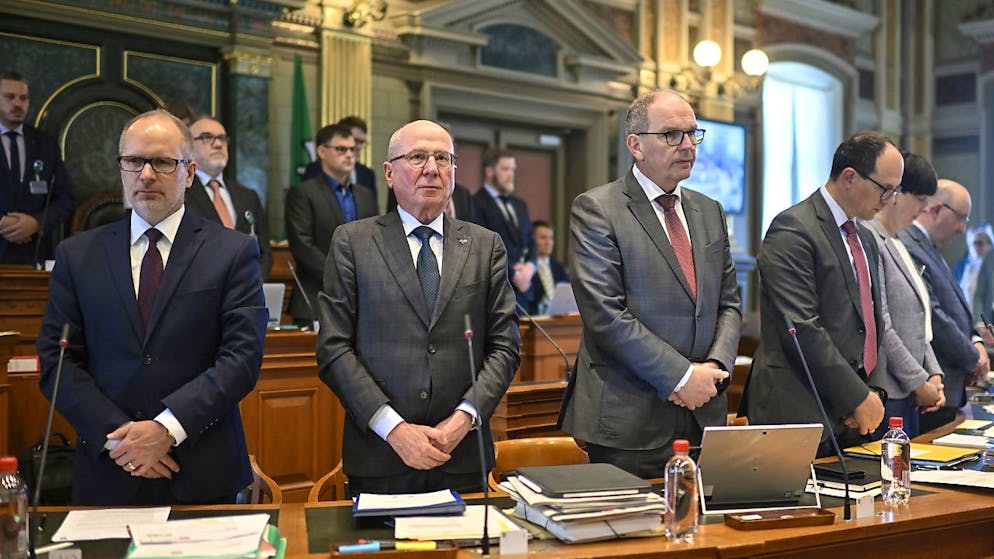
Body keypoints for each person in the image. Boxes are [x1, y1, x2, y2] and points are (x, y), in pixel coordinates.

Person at [36, 109, 267, 505]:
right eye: (134, 161)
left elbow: (241, 359)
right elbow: (58, 361)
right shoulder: (77, 255)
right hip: (110, 469)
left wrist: (166, 429)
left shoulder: (232, 251)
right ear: (122, 168)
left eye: (162, 162)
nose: (146, 175)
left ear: (189, 173)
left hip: (201, 471)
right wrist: (121, 440)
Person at [316, 119, 519, 495]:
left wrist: (463, 419)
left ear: (454, 172)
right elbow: (333, 349)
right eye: (418, 157)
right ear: (390, 173)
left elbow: (505, 347)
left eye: (443, 158)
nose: (431, 168)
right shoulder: (353, 242)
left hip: (463, 455)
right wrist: (394, 429)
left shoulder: (485, 245)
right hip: (382, 456)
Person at [559, 90, 740, 477]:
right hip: (630, 421)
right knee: (634, 538)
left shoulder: (709, 211)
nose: (688, 145)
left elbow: (728, 304)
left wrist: (714, 367)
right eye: (672, 134)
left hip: (704, 414)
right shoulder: (598, 209)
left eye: (693, 134)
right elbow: (606, 315)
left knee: (705, 535)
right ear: (636, 145)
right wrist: (680, 375)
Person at [742, 132, 901, 456]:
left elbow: (872, 325)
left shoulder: (865, 238)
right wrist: (857, 397)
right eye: (886, 189)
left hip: (855, 417)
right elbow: (801, 328)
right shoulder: (793, 229)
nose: (890, 201)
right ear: (849, 177)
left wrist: (875, 393)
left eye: (895, 191)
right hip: (799, 408)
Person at [863, 152, 944, 438]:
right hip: (893, 387)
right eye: (920, 199)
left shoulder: (898, 241)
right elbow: (882, 321)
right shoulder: (871, 237)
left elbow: (919, 321)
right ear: (897, 193)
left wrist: (934, 375)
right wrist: (919, 382)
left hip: (910, 389)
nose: (923, 209)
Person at [898, 179, 989, 433]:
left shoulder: (932, 247)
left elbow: (958, 309)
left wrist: (976, 341)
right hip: (930, 386)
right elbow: (932, 316)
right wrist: (973, 359)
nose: (962, 230)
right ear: (937, 209)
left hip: (949, 383)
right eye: (961, 218)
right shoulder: (908, 244)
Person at [285, 124, 377, 325]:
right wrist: (342, 276)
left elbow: (376, 240)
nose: (349, 155)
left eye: (352, 149)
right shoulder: (303, 193)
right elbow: (302, 245)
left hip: (362, 302)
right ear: (321, 151)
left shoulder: (365, 195)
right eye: (341, 149)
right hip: (316, 298)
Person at [0, 71, 74, 264]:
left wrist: (37, 222)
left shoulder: (45, 144)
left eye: (23, 98)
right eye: (9, 97)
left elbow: (65, 197)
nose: (17, 103)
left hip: (34, 255)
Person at [185, 116, 272, 279]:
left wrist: (251, 285)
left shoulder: (248, 196)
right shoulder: (181, 194)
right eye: (206, 137)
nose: (218, 144)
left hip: (245, 295)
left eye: (222, 139)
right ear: (189, 148)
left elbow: (264, 252)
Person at [472, 149, 537, 312]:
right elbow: (481, 249)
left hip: (525, 292)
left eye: (513, 169)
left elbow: (531, 242)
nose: (511, 174)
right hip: (496, 293)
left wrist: (530, 268)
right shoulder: (475, 203)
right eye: (505, 169)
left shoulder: (519, 204)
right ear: (489, 171)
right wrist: (514, 273)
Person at [302, 116, 377, 199]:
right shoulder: (314, 169)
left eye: (362, 142)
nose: (358, 146)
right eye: (355, 140)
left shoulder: (368, 174)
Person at [955, 224, 994, 322]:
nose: (978, 247)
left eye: (981, 243)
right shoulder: (965, 267)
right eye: (975, 243)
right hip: (970, 318)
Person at [530, 220, 569, 315]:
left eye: (551, 238)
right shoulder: (526, 269)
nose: (548, 242)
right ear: (532, 240)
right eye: (543, 238)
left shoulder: (559, 268)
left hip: (559, 320)